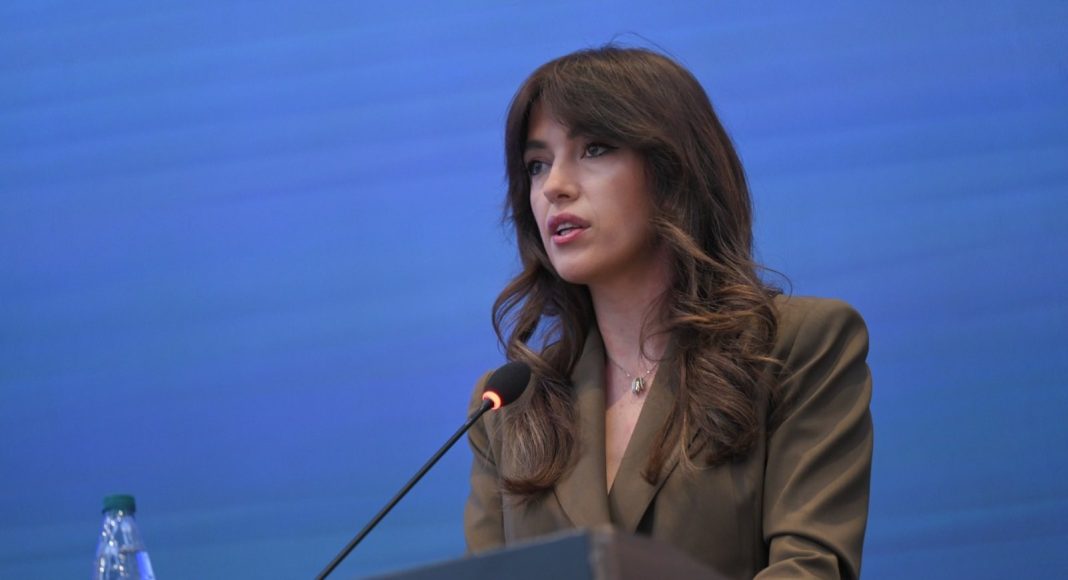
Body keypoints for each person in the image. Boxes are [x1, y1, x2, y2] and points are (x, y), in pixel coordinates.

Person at [464, 46, 873, 579]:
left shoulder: (797, 347)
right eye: (537, 165)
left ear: (674, 171)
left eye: (594, 149)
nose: (554, 186)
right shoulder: (507, 408)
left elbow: (810, 569)